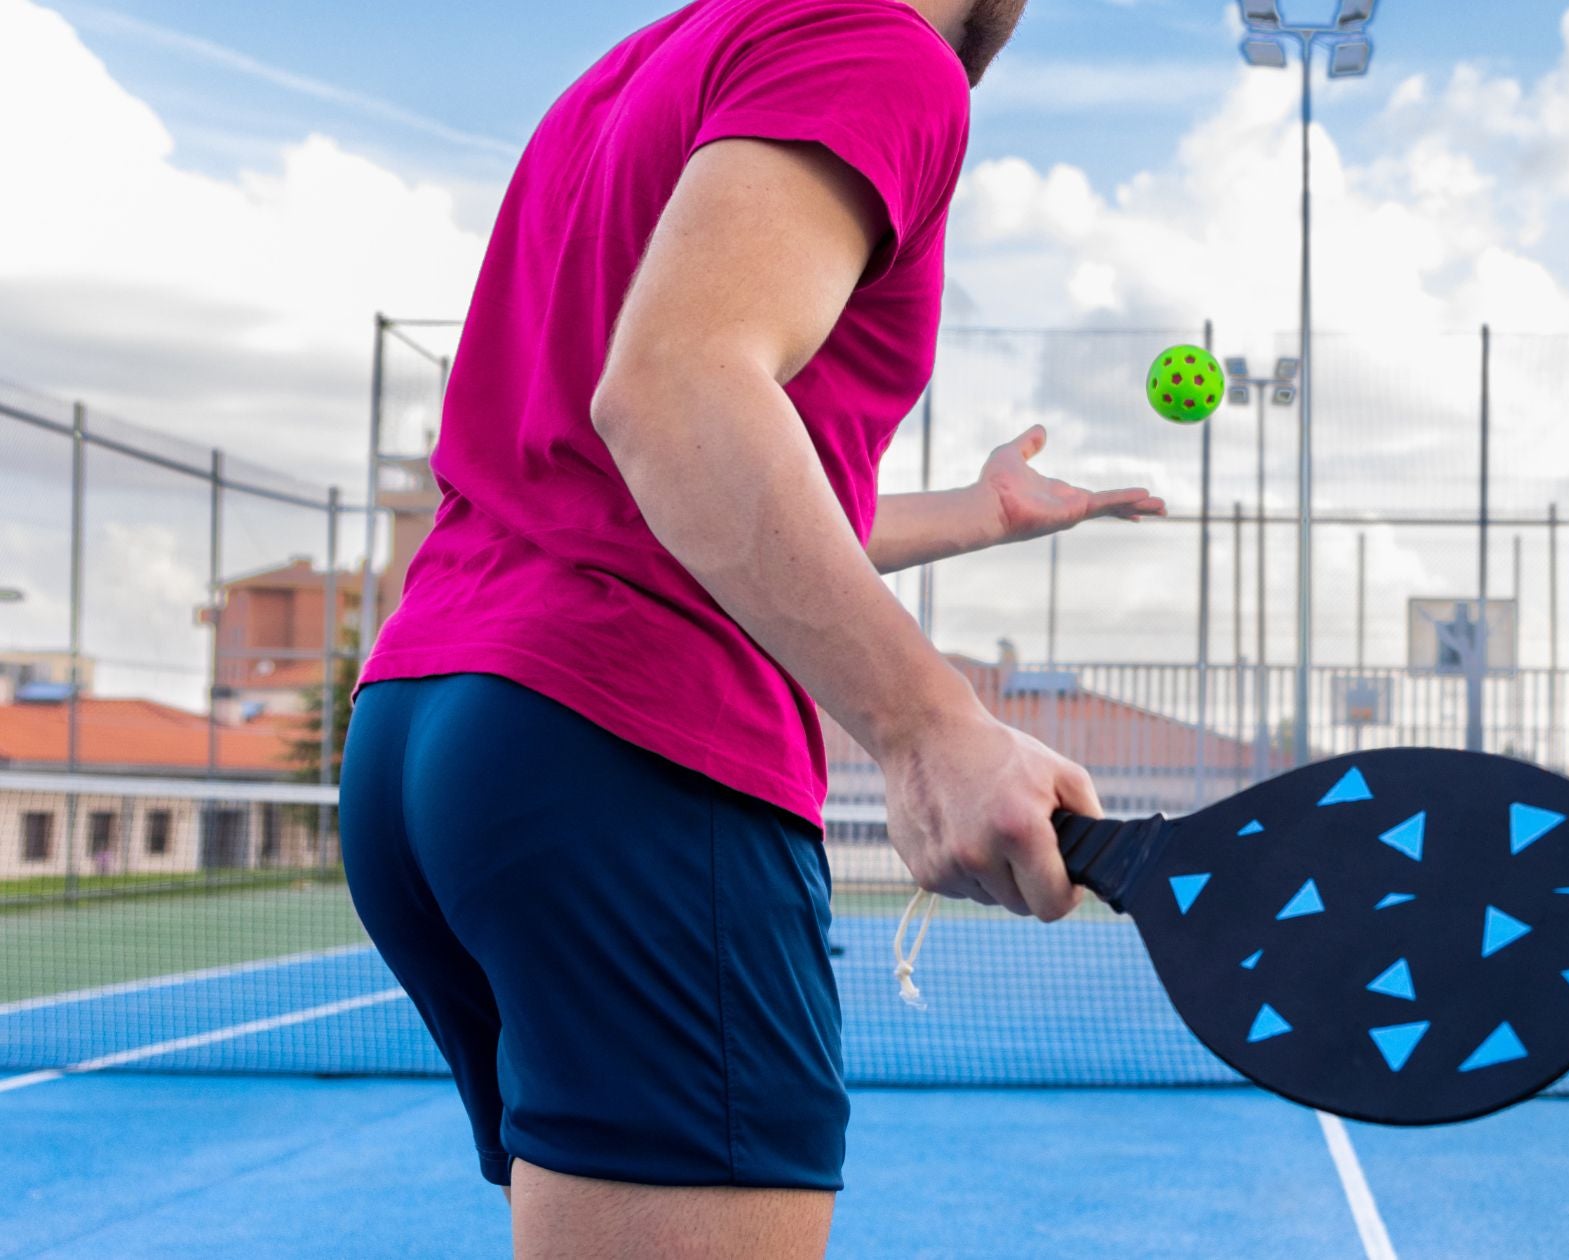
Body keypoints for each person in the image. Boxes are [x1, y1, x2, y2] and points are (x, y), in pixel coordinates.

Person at [339, 2, 1160, 1255]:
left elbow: (655, 485)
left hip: (427, 728)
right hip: (629, 741)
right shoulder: (880, 47)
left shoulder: (637, 71)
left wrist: (975, 515)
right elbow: (674, 395)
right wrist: (927, 724)